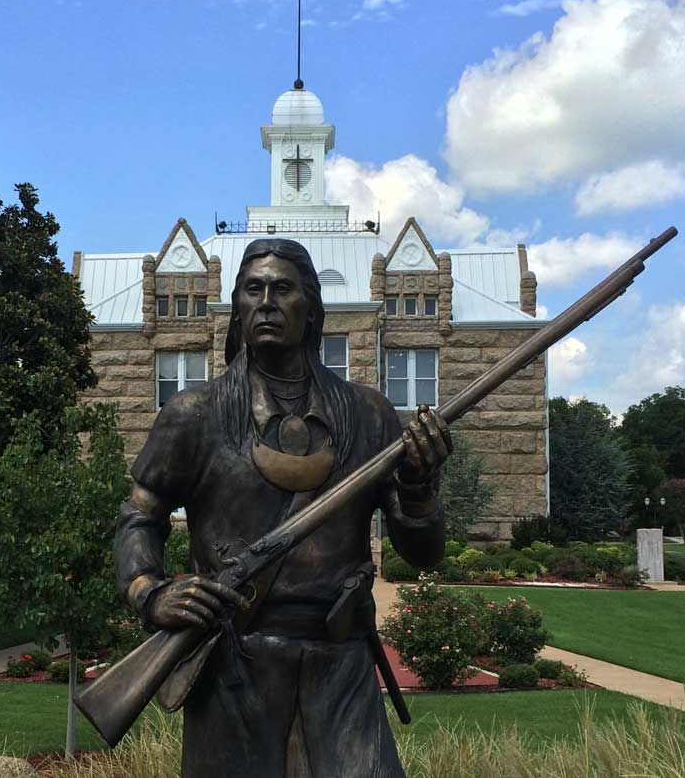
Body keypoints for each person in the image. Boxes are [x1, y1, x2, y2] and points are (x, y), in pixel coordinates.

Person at [114, 237, 451, 778]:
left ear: (311, 308)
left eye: (282, 289)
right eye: (253, 289)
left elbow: (424, 554)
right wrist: (149, 592)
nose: (267, 302)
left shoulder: (369, 416)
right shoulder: (193, 415)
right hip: (233, 670)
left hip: (341, 672)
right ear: (238, 307)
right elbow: (139, 517)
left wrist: (418, 487)